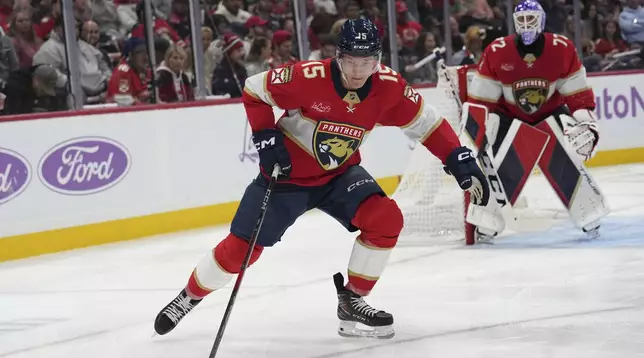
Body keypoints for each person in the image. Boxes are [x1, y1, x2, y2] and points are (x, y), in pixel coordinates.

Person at [153, 19, 489, 339]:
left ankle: (352, 300)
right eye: (351, 61)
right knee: (241, 251)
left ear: (378, 60)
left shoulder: (389, 87)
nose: (358, 71)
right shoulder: (306, 77)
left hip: (339, 175)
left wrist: (456, 156)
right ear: (338, 56)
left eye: (367, 62)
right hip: (286, 179)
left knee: (386, 218)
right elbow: (254, 90)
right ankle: (189, 296)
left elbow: (427, 123)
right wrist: (266, 137)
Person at [464, 0, 606, 242]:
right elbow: (480, 103)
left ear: (541, 21)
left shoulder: (561, 48)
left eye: (531, 19)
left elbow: (578, 97)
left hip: (549, 113)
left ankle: (588, 212)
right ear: (514, 23)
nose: (526, 25)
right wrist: (473, 138)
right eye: (522, 20)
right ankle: (487, 219)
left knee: (566, 155)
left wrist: (587, 124)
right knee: (499, 166)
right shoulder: (498, 51)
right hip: (508, 117)